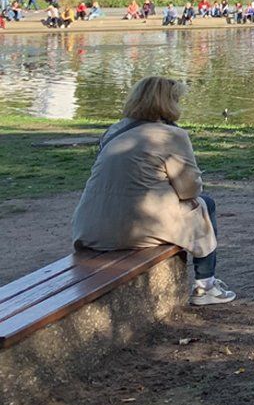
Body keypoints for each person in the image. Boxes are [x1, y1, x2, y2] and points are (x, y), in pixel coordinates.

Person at [71, 77, 234, 306]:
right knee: (205, 204)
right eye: (177, 99)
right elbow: (189, 190)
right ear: (169, 103)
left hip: (91, 228)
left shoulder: (114, 131)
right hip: (139, 228)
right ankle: (205, 285)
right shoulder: (172, 135)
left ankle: (206, 286)